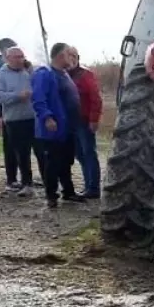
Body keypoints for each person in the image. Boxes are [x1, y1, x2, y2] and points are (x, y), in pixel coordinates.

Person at [31, 43, 86, 208]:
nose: (73, 58)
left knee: (66, 160)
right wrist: (47, 118)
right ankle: (51, 195)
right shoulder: (45, 74)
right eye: (70, 55)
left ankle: (68, 192)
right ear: (61, 56)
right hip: (54, 127)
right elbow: (39, 99)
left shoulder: (64, 74)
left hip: (69, 126)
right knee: (53, 162)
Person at [0, 46, 36, 196]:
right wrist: (18, 96)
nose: (20, 60)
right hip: (14, 119)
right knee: (20, 152)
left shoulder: (28, 72)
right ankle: (23, 182)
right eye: (16, 57)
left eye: (22, 56)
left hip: (32, 117)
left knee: (38, 151)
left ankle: (30, 180)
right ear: (7, 58)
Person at [66, 46, 103, 198]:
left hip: (84, 120)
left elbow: (96, 98)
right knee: (79, 154)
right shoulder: (62, 75)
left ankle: (93, 188)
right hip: (70, 121)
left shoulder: (85, 74)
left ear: (77, 57)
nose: (71, 59)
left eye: (73, 56)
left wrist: (94, 119)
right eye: (68, 56)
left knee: (89, 152)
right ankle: (88, 185)